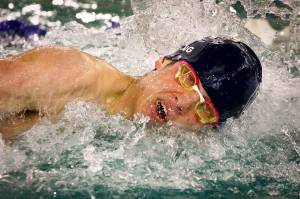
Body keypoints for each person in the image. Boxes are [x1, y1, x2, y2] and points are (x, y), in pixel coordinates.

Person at [0, 37, 262, 141]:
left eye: (204, 110)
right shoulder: (74, 74)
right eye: (186, 78)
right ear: (163, 62)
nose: (183, 103)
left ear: (204, 129)